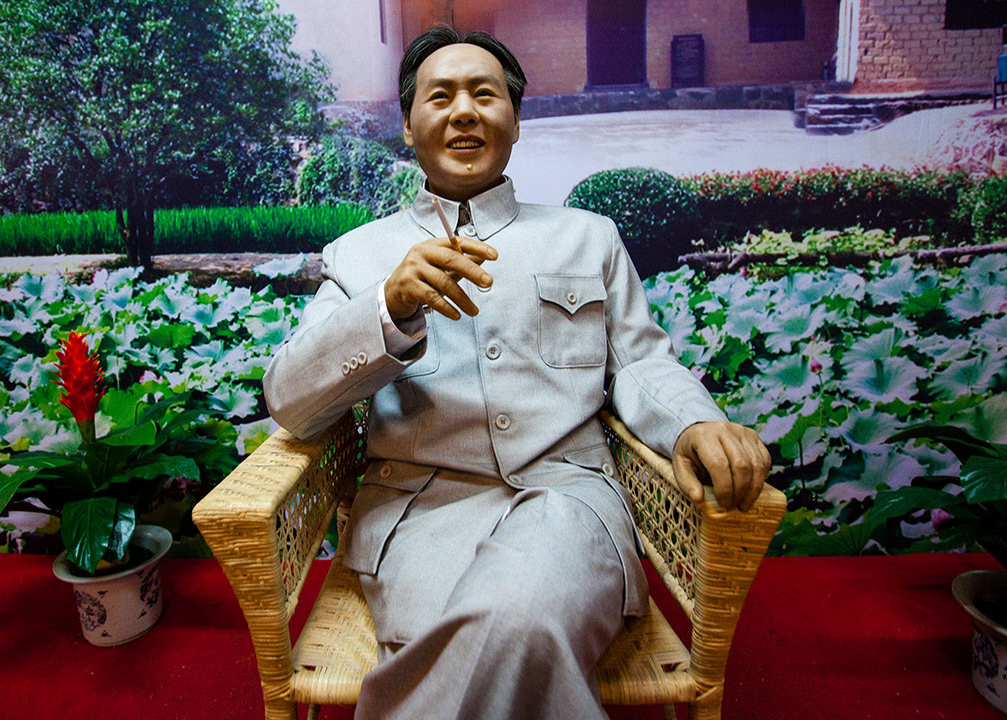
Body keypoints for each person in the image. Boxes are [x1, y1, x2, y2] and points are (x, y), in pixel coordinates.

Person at [263, 27, 771, 720]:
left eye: (486, 94)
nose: (464, 111)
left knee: (520, 618)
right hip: (418, 519)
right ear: (409, 127)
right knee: (498, 641)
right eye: (439, 96)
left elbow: (643, 363)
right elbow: (290, 402)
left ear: (516, 120)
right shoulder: (360, 255)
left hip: (568, 502)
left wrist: (695, 421)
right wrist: (388, 306)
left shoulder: (587, 236)